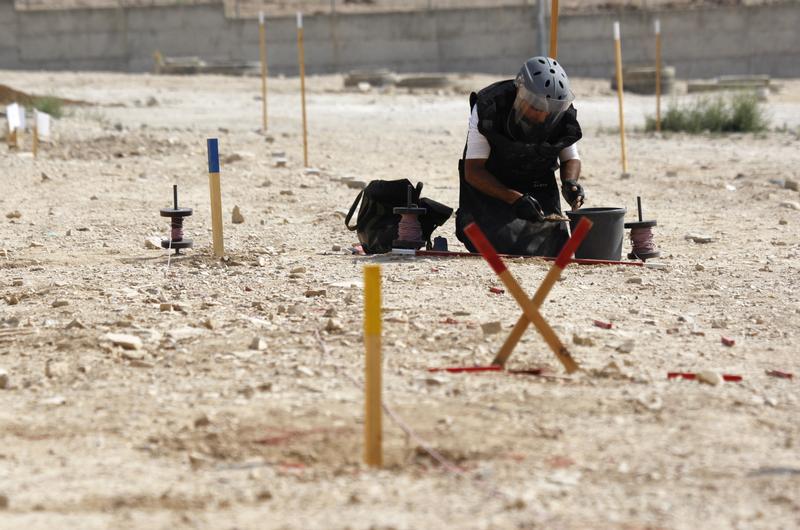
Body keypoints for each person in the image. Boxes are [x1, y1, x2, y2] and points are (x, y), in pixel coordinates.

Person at [455, 56, 585, 256]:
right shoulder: (489, 106)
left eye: (549, 111)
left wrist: (570, 183)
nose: (542, 116)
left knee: (554, 247)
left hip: (537, 190)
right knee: (496, 241)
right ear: (520, 93)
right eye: (536, 107)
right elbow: (473, 171)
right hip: (490, 190)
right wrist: (514, 199)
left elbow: (570, 158)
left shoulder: (561, 112)